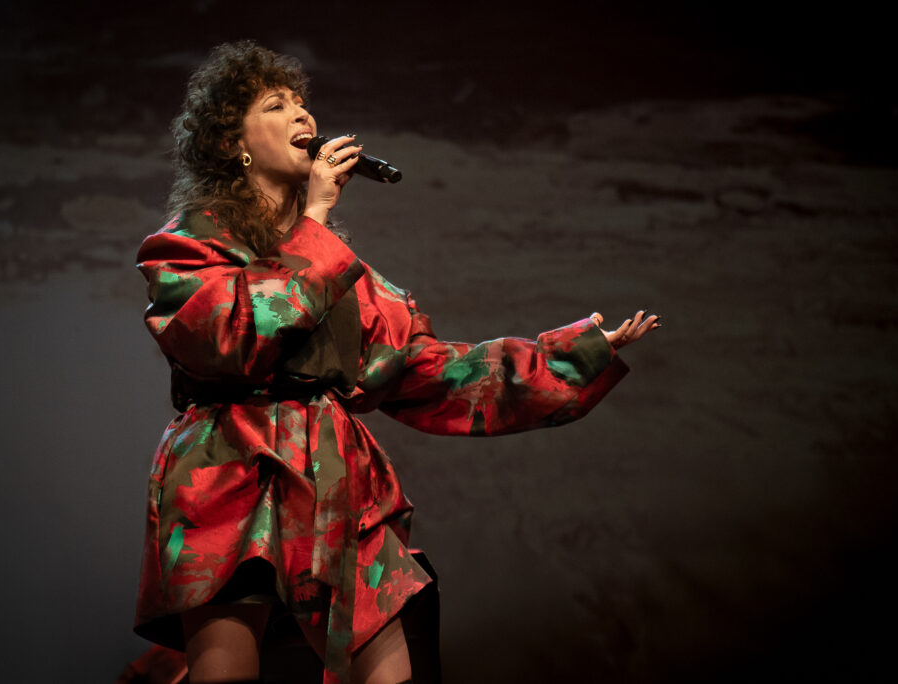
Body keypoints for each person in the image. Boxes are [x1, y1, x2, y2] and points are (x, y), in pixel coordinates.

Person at [132, 41, 660, 684]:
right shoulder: (190, 243)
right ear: (231, 143)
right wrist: (317, 217)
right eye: (275, 105)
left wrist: (576, 354)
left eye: (301, 102)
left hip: (332, 479)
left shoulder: (348, 279)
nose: (302, 115)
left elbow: (436, 373)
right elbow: (231, 337)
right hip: (228, 473)